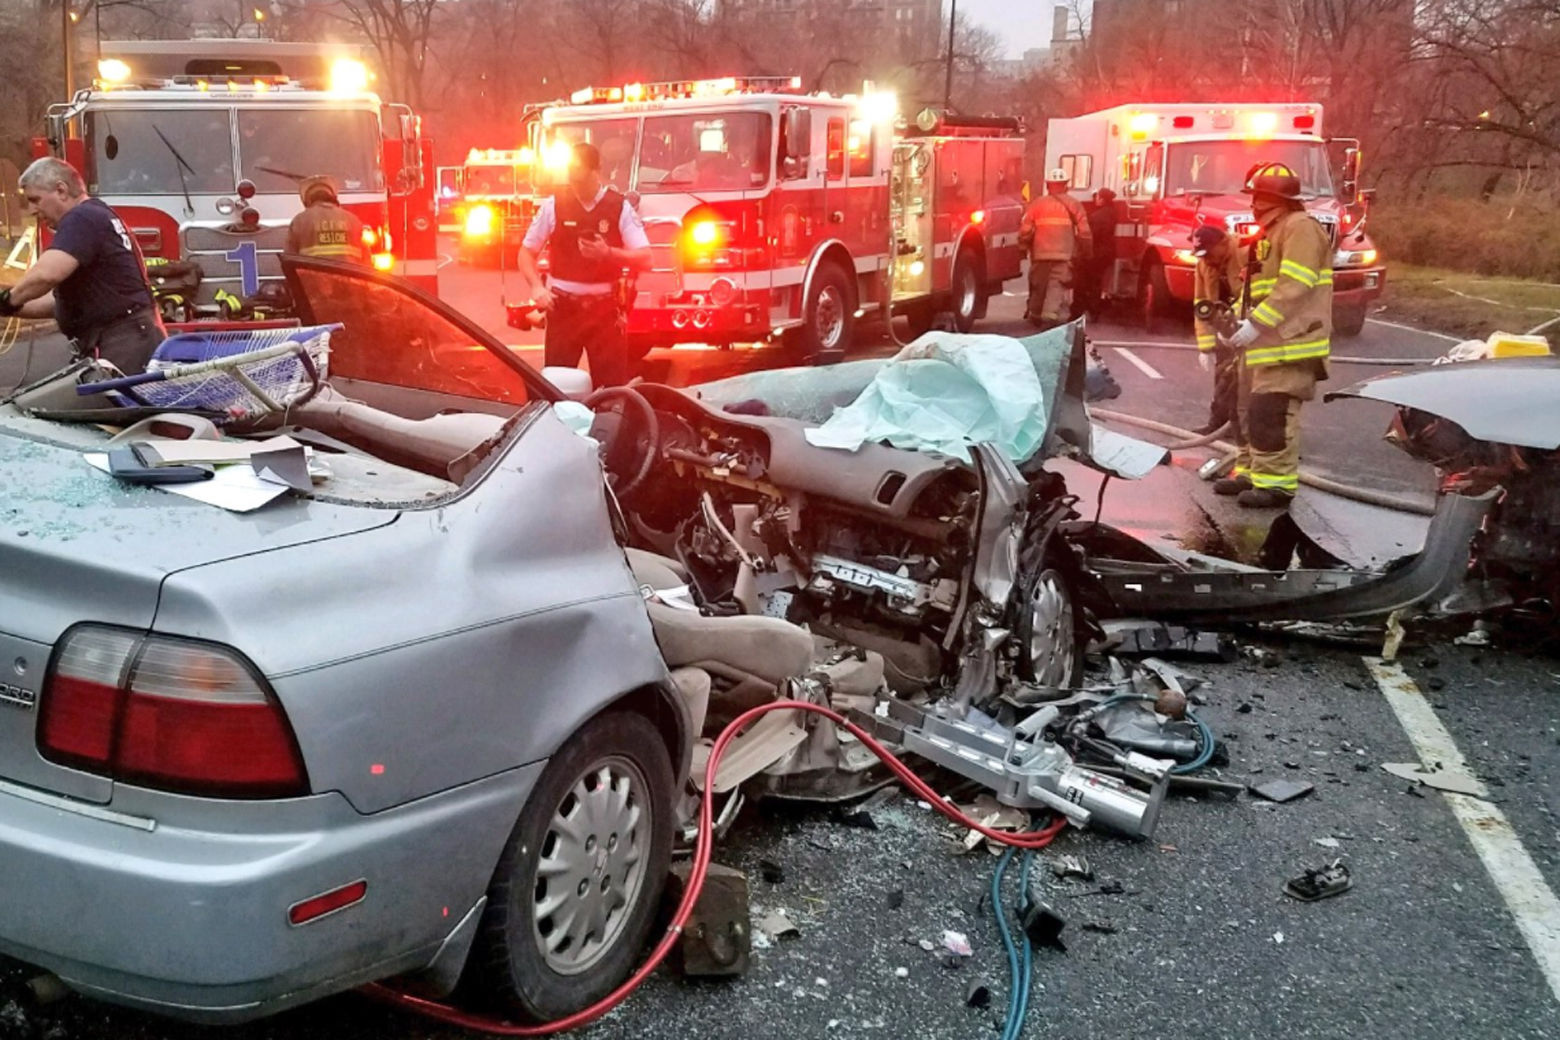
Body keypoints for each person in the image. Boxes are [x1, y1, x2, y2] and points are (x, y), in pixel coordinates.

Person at [1215, 162, 1333, 509]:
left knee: (1272, 411)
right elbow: (1259, 288)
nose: (1253, 204)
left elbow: (1295, 284)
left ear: (1274, 199)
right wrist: (1238, 323)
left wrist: (1256, 324)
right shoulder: (1272, 233)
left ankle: (1276, 486)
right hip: (1266, 343)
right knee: (1247, 411)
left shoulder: (1300, 228)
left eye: (1257, 197)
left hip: (1291, 342)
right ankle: (1251, 472)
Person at [0, 157, 165, 374]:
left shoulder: (82, 217)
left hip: (123, 342)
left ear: (61, 190)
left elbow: (46, 275)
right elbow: (59, 302)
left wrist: (9, 298)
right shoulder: (95, 215)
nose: (31, 209)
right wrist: (8, 307)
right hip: (129, 336)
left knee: (96, 396)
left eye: (35, 199)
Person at [517, 141, 652, 388]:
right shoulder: (554, 205)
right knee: (557, 385)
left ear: (596, 172)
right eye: (573, 181)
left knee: (611, 388)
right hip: (563, 309)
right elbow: (526, 252)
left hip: (605, 311)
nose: (577, 188)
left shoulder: (618, 207)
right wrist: (536, 287)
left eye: (582, 181)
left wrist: (608, 253)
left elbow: (646, 258)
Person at [1190, 225, 1246, 438]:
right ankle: (1218, 425)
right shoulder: (1203, 265)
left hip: (1251, 326)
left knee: (1249, 382)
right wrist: (1206, 347)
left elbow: (1253, 294)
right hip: (1225, 329)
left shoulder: (1244, 253)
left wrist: (1235, 322)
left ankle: (1243, 427)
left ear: (1224, 243)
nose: (1206, 259)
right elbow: (1202, 305)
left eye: (1209, 253)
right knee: (1224, 376)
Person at [1019, 168, 1092, 328]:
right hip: (1064, 255)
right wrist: (1086, 252)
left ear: (1048, 185)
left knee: (1038, 285)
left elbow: (1025, 230)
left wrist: (1023, 246)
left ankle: (1034, 314)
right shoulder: (1074, 204)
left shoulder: (1037, 204)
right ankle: (1049, 316)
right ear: (1066, 185)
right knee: (1056, 285)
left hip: (1040, 254)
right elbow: (1084, 232)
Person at [286, 175, 370, 264]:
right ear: (332, 196)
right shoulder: (353, 220)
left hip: (313, 273)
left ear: (308, 199)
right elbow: (367, 260)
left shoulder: (300, 221)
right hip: (348, 273)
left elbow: (289, 259)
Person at [1077, 188, 1120, 319]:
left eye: (1097, 197)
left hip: (1096, 253)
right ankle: (1095, 309)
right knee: (1099, 281)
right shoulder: (1113, 214)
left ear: (1102, 199)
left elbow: (1091, 236)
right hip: (1108, 252)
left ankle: (1088, 309)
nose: (1095, 199)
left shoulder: (1096, 216)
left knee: (1090, 281)